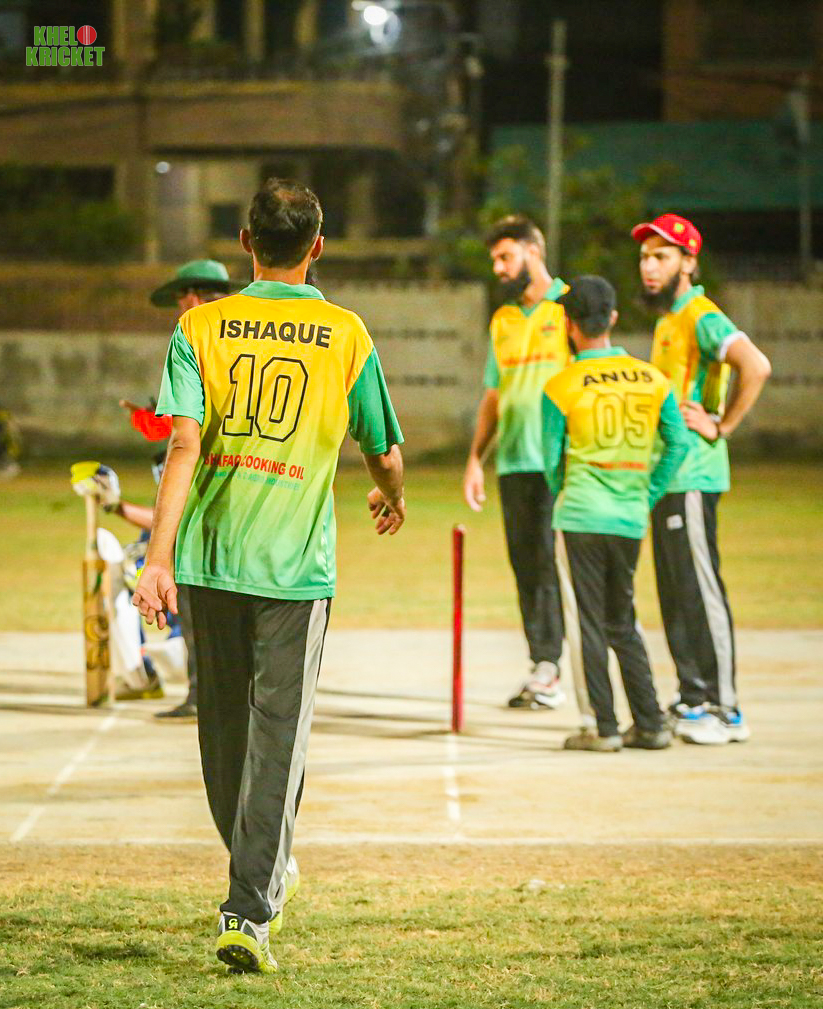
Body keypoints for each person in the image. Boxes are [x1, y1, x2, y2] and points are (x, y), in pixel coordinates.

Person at [133, 178, 405, 974]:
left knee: (222, 734)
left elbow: (182, 444)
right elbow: (382, 449)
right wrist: (390, 495)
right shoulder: (345, 333)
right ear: (317, 247)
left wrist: (158, 558)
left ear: (245, 242)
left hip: (211, 558)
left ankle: (253, 882)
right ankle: (252, 901)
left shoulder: (200, 326)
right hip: (294, 568)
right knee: (277, 736)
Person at [632, 214, 771, 745]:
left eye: (661, 256)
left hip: (694, 475)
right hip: (668, 476)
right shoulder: (669, 320)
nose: (649, 266)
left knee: (700, 589)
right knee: (676, 593)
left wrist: (722, 425)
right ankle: (693, 697)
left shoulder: (700, 314)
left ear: (688, 262)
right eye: (645, 257)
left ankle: (725, 708)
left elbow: (755, 365)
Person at [543, 276, 690, 752]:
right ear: (612, 319)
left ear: (569, 324)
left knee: (587, 622)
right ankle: (650, 723)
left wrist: (568, 493)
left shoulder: (560, 386)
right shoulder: (653, 379)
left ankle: (602, 728)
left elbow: (551, 460)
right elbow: (678, 443)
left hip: (580, 515)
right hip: (629, 518)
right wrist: (647, 494)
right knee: (622, 619)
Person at [122, 260, 243, 721]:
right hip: (249, 487)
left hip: (202, 491)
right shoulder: (247, 331)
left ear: (192, 295)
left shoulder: (195, 335)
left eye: (180, 299)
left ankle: (201, 694)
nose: (179, 308)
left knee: (194, 604)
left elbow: (183, 429)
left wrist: (151, 421)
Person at [463, 214, 569, 710]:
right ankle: (543, 663)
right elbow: (494, 395)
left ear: (533, 251)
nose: (499, 268)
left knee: (550, 563)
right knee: (526, 566)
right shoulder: (503, 320)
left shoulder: (569, 306)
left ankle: (555, 665)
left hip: (559, 462)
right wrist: (474, 460)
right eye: (495, 260)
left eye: (506, 257)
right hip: (513, 464)